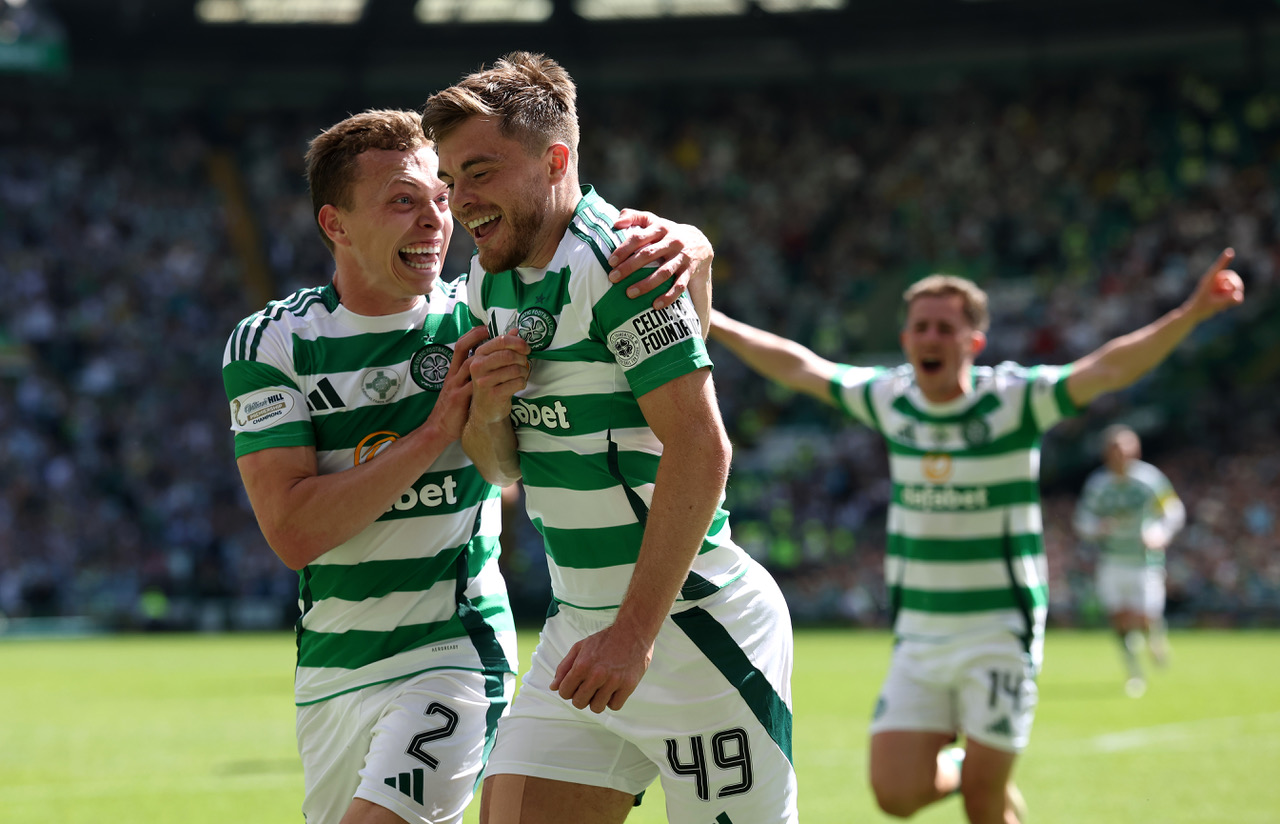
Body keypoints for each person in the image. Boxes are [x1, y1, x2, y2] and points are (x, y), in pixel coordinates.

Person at [221, 108, 716, 824]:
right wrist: (431, 436)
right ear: (335, 224)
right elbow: (294, 531)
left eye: (441, 199)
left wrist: (694, 243)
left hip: (452, 652)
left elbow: (523, 459)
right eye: (402, 201)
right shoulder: (273, 341)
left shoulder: (481, 311)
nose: (434, 222)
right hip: (330, 670)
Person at [707, 252, 1244, 824]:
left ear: (975, 341)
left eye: (945, 327)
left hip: (998, 629)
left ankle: (986, 772)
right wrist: (713, 319)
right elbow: (800, 367)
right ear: (905, 338)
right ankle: (977, 764)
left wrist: (1191, 313)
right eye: (921, 327)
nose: (931, 337)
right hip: (919, 631)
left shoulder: (1015, 401)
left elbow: (1107, 369)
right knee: (895, 794)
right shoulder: (891, 399)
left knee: (986, 806)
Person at [421, 53, 798, 824]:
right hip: (579, 633)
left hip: (690, 636)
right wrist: (489, 411)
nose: (462, 202)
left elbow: (703, 449)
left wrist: (631, 638)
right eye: (453, 180)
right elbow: (501, 473)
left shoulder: (621, 263)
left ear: (555, 159)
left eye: (481, 172)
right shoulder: (485, 282)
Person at [1073, 424, 1185, 697]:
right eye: (1114, 450)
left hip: (1144, 560)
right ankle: (1133, 671)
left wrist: (1160, 533)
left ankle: (1155, 637)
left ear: (1135, 450)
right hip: (1112, 560)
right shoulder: (1098, 484)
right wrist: (1096, 529)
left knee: (1144, 617)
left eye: (1124, 449)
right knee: (1120, 619)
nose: (1119, 455)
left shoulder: (1150, 480)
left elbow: (1173, 510)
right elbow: (1082, 519)